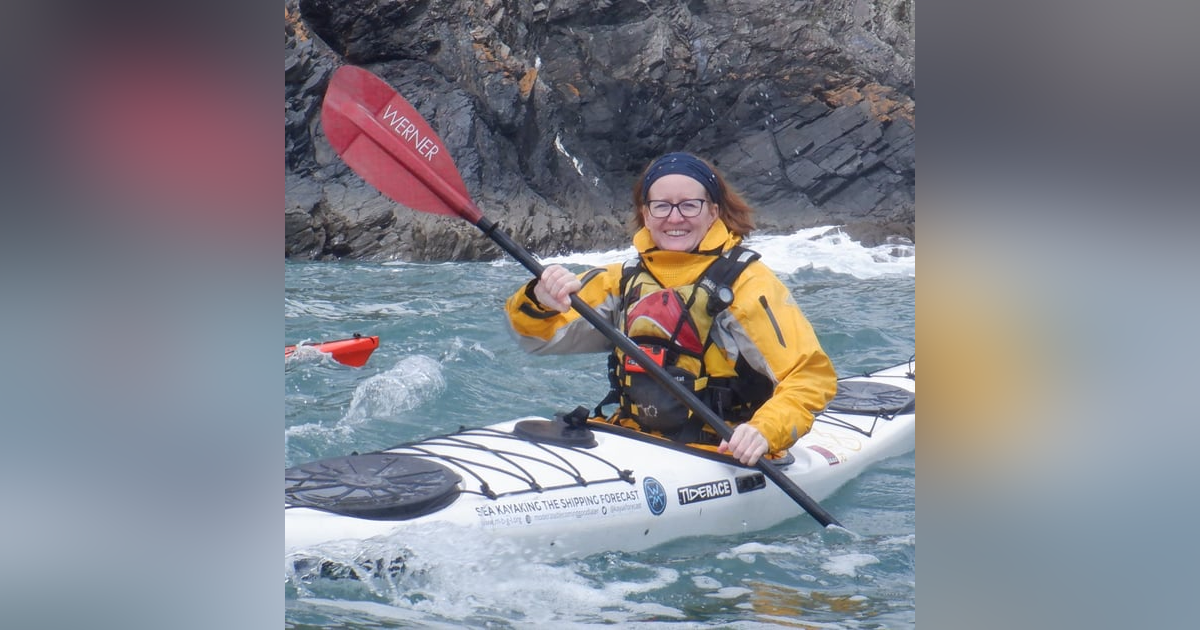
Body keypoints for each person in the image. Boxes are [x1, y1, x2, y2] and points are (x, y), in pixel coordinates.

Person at [505, 152, 837, 466]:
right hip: (632, 438)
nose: (675, 218)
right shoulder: (620, 280)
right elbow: (535, 338)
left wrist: (766, 430)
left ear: (713, 211)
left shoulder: (748, 284)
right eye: (661, 206)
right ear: (645, 213)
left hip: (721, 451)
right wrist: (539, 299)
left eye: (690, 206)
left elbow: (810, 377)